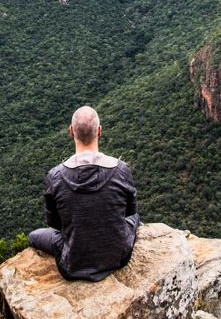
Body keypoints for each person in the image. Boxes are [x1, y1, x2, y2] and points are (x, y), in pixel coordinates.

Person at [28, 106, 140, 281]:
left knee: (34, 236)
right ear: (100, 131)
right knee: (135, 218)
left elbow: (55, 225)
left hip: (72, 264)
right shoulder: (121, 170)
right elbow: (129, 212)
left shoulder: (55, 176)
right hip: (118, 257)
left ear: (71, 131)